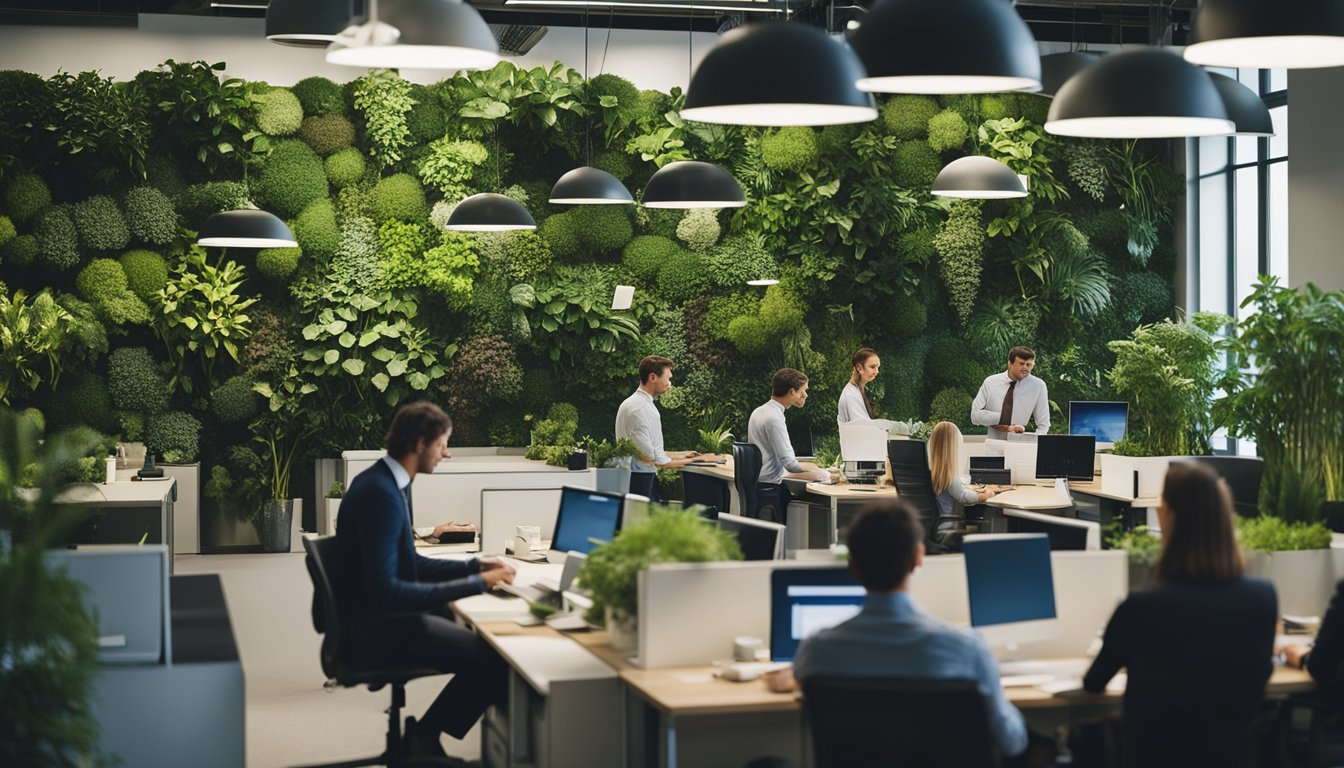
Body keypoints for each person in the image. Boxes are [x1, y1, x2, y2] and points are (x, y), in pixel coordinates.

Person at [763, 500, 1028, 760]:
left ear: (853, 567)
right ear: (918, 558)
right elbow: (1012, 742)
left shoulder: (817, 650)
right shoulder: (967, 649)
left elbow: (795, 680)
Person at [334, 402, 518, 761]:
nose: (446, 454)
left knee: (478, 637)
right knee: (496, 660)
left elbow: (412, 563)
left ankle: (425, 736)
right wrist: (479, 584)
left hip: (376, 616)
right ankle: (424, 737)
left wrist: (475, 566)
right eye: (442, 444)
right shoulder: (382, 493)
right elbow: (387, 589)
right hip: (377, 627)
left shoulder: (391, 482)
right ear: (421, 443)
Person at [1082, 462, 1277, 768]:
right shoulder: (1262, 598)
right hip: (1231, 758)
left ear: (1168, 516)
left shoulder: (1142, 606)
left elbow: (1094, 682)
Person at [748, 368, 833, 521]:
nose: (805, 395)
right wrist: (821, 472)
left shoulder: (759, 411)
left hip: (759, 487)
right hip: (771, 492)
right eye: (803, 390)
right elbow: (790, 464)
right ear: (792, 391)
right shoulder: (774, 418)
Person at [615, 355, 722, 472]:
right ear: (653, 378)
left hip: (629, 481)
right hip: (642, 484)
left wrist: (685, 454)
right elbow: (654, 461)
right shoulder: (643, 409)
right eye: (668, 379)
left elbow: (653, 454)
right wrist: (699, 460)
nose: (670, 385)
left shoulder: (630, 403)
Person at [928, 421, 1010, 517]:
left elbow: (959, 482)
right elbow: (965, 498)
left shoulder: (933, 472)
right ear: (952, 449)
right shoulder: (949, 478)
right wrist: (987, 494)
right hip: (947, 526)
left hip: (936, 524)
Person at [971, 346, 1049, 443]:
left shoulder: (1038, 386)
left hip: (1021, 446)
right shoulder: (991, 382)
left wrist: (1036, 446)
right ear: (1010, 363)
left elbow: (1043, 424)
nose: (1025, 367)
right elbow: (974, 415)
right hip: (993, 445)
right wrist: (1004, 420)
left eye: (1029, 365)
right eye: (1021, 363)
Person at [837, 348, 880, 426]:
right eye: (872, 367)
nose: (877, 372)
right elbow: (862, 430)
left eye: (878, 367)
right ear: (859, 368)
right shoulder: (851, 396)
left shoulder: (858, 390)